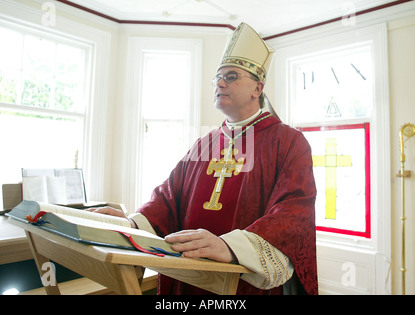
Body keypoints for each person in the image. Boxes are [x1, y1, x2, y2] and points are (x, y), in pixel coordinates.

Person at [93, 23, 318, 295]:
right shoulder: (205, 142)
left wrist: (231, 246)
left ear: (257, 88)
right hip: (187, 272)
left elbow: (293, 211)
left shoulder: (288, 141)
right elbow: (169, 196)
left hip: (240, 281)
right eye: (217, 78)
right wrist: (132, 222)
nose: (220, 83)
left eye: (231, 76)